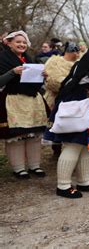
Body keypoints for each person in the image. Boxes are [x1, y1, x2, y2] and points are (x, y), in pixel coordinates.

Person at [44, 34, 89, 198]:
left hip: (87, 106)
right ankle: (63, 186)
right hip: (77, 107)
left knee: (86, 145)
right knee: (74, 144)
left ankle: (84, 181)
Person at [0, 31, 48, 179]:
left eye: (24, 42)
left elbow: (34, 81)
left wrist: (42, 76)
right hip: (13, 100)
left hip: (32, 100)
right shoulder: (2, 59)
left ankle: (35, 166)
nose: (22, 44)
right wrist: (13, 72)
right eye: (18, 42)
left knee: (34, 136)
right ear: (8, 43)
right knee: (18, 136)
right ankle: (19, 168)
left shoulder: (29, 59)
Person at [43, 42, 81, 157]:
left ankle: (71, 150)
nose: (78, 54)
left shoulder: (79, 64)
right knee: (56, 124)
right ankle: (57, 149)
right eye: (77, 51)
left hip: (74, 99)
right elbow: (52, 80)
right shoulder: (54, 61)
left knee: (71, 126)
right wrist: (70, 85)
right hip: (56, 98)